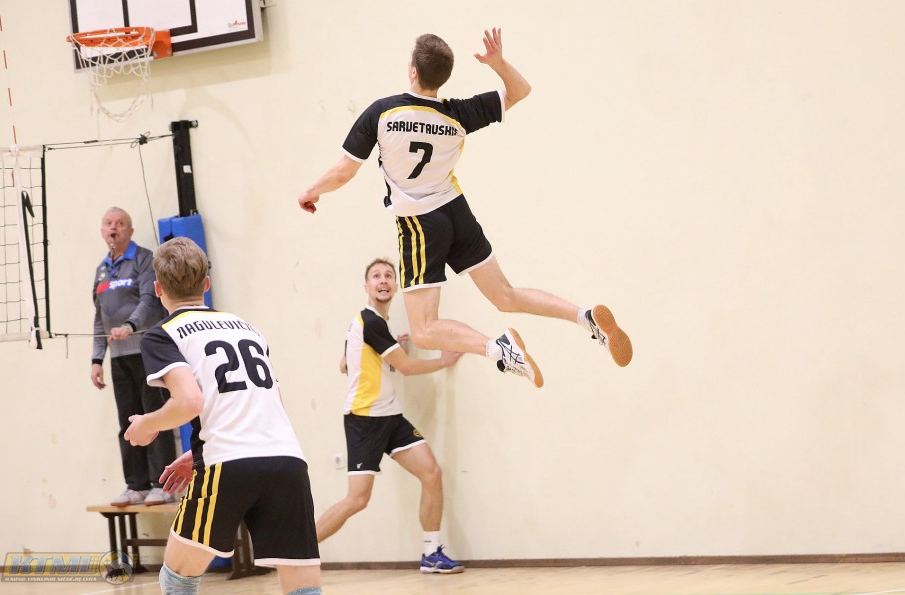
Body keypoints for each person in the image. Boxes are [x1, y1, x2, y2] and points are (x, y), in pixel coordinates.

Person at [297, 29, 632, 389]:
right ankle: (584, 317)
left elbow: (344, 171)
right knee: (506, 295)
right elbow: (520, 91)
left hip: (420, 224)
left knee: (424, 330)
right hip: (457, 212)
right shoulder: (457, 114)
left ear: (412, 70)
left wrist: (311, 191)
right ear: (443, 77)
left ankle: (499, 349)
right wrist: (498, 64)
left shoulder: (383, 112)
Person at [124, 237, 321, 595]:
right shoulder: (247, 327)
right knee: (303, 589)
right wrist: (195, 453)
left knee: (177, 578)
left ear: (158, 289)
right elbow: (267, 401)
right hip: (288, 461)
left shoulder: (162, 335)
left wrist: (145, 425)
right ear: (206, 284)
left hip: (228, 464)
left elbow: (189, 401)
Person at [316, 258, 464, 574]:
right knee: (358, 500)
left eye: (388, 276)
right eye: (376, 276)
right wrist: (442, 361)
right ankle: (299, 550)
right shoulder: (370, 322)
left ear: (395, 286)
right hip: (364, 420)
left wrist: (390, 349)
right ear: (366, 286)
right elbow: (406, 368)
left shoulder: (372, 325)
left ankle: (431, 553)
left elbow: (344, 364)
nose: (383, 280)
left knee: (432, 473)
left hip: (391, 416)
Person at [90, 206, 176, 507]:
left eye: (120, 223)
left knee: (155, 417)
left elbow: (149, 301)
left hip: (147, 351)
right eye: (108, 223)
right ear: (102, 231)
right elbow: (100, 317)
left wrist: (130, 326)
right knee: (127, 421)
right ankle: (136, 485)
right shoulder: (102, 270)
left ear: (130, 231)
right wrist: (96, 360)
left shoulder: (143, 259)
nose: (113, 228)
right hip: (119, 357)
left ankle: (163, 484)